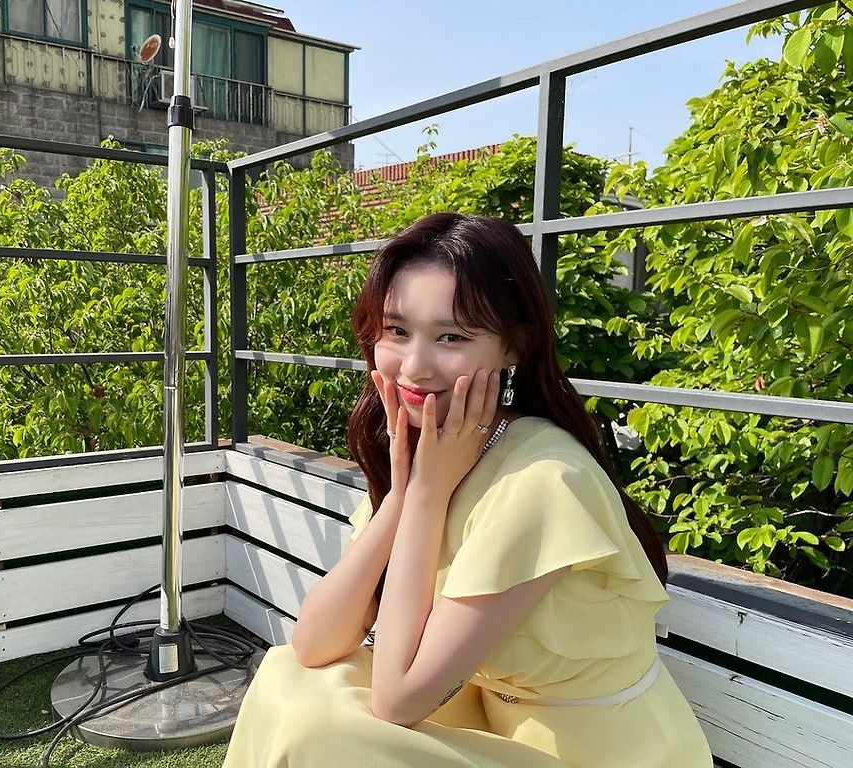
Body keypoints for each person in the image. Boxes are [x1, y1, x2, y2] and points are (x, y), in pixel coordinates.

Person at [222, 212, 712, 767]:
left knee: (325, 732)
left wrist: (427, 494)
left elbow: (399, 700)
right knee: (289, 681)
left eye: (450, 337)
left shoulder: (544, 480)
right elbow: (313, 645)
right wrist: (403, 495)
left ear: (514, 345)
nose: (414, 366)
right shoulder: (439, 449)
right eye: (397, 331)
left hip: (593, 753)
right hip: (492, 721)